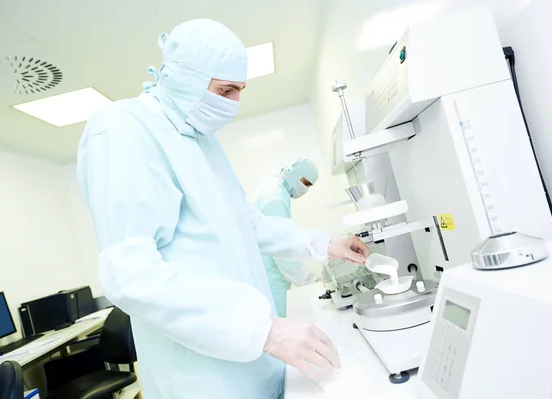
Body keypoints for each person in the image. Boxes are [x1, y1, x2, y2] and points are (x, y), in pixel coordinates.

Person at [77, 19, 369, 399]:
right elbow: (132, 276)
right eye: (226, 90)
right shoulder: (122, 130)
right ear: (186, 78)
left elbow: (245, 222)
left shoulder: (202, 141)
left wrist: (322, 242)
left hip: (258, 361)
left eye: (239, 91)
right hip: (204, 379)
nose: (234, 104)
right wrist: (265, 330)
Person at [254, 158, 320, 317]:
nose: (306, 189)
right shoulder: (274, 198)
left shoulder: (274, 191)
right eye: (305, 183)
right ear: (294, 174)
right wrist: (312, 280)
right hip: (271, 282)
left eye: (310, 186)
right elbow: (282, 249)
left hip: (270, 277)